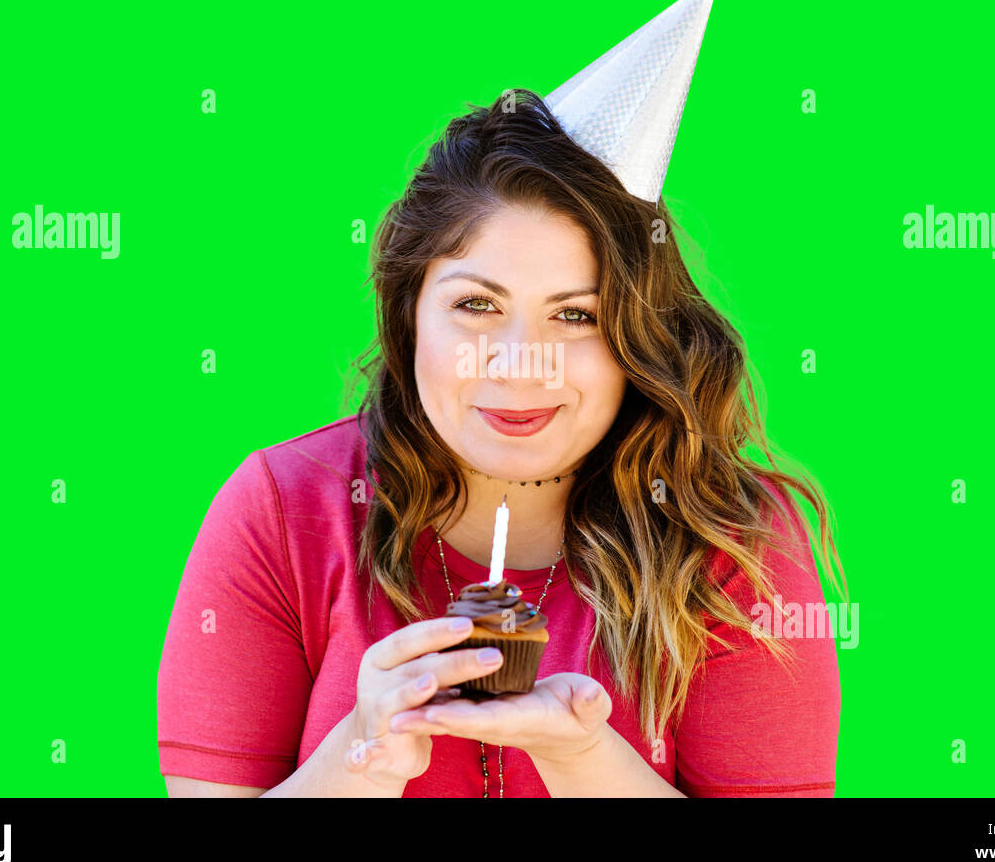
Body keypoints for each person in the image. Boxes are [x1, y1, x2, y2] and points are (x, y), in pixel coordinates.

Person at [156, 86, 847, 797]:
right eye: (476, 305)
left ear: (639, 337)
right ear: (410, 313)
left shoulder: (734, 544)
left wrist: (581, 758)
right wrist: (358, 761)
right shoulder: (284, 510)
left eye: (577, 316)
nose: (520, 364)